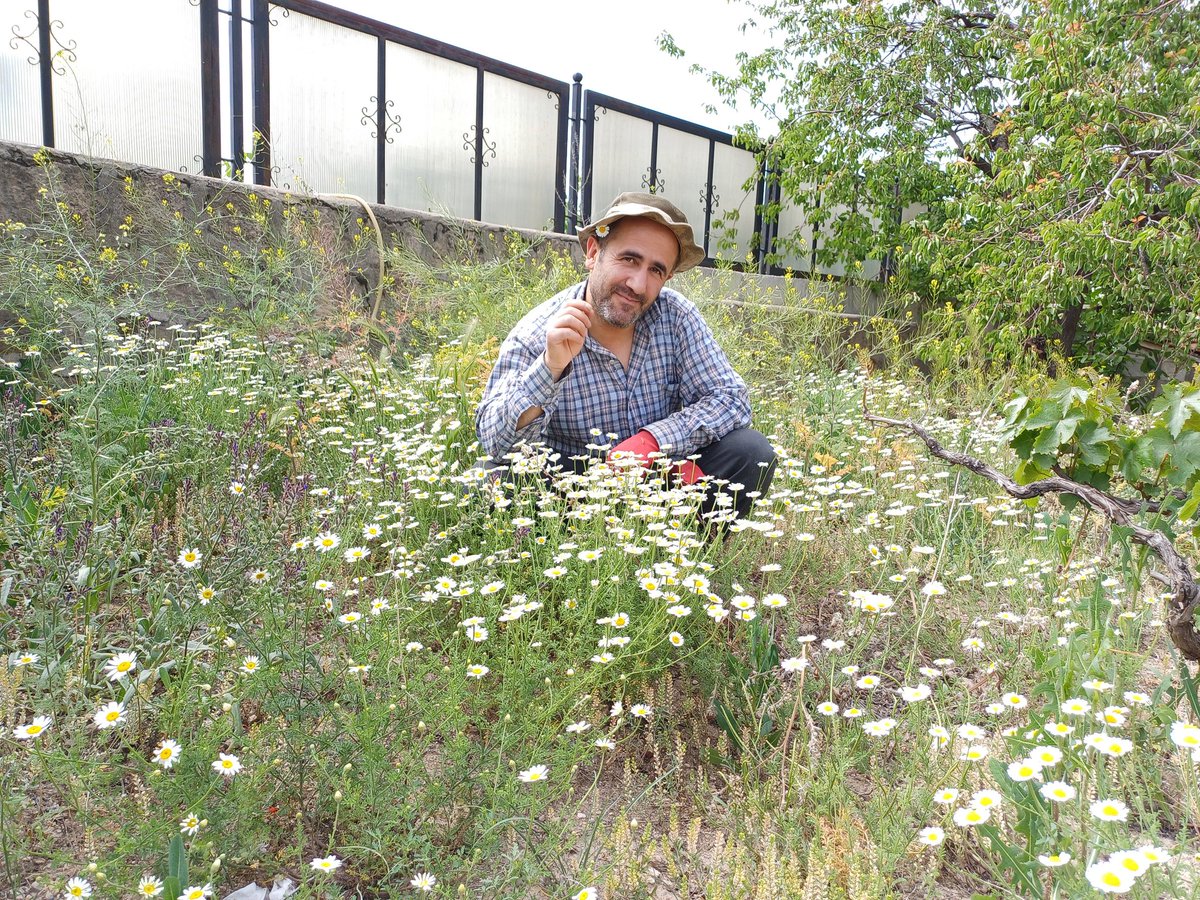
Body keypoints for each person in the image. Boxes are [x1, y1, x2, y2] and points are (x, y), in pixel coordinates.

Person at [474, 191, 776, 522]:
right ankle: (559, 563)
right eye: (629, 259)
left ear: (667, 278)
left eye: (655, 270)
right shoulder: (539, 331)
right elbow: (493, 441)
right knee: (489, 479)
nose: (638, 283)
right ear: (593, 252)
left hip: (658, 478)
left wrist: (652, 441)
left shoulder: (676, 317)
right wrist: (549, 368)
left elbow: (732, 401)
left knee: (750, 452)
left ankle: (683, 556)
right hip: (569, 495)